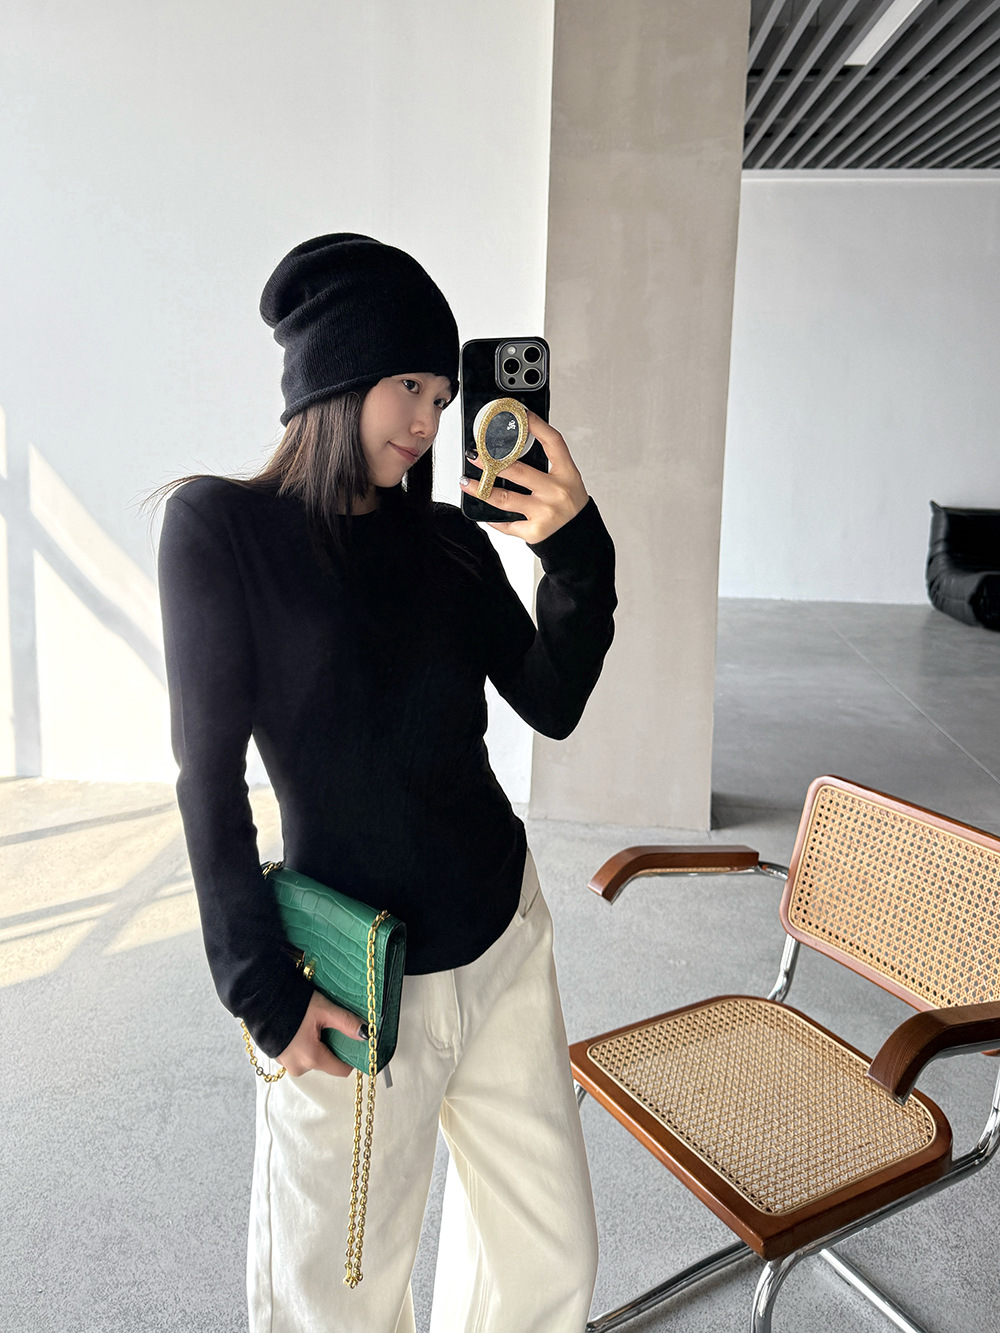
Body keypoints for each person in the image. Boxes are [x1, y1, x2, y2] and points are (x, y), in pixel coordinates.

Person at [157, 233, 617, 1333]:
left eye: (443, 396)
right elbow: (206, 780)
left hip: (502, 936)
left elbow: (550, 699)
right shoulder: (222, 529)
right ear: (336, 373)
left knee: (549, 1258)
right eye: (409, 385)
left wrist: (575, 550)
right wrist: (261, 991)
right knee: (339, 1295)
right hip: (356, 977)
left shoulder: (450, 540)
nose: (427, 420)